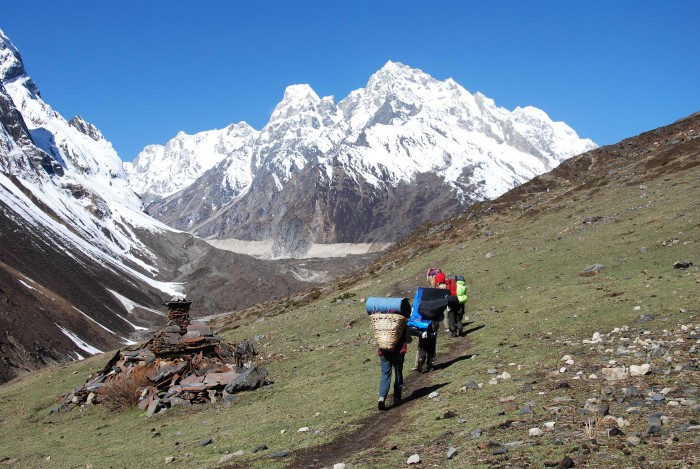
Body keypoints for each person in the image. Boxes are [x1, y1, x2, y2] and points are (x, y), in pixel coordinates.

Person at [377, 322, 409, 410]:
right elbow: (408, 339)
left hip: (384, 351)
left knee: (385, 374)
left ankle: (382, 397)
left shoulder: (382, 321)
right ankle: (397, 398)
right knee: (398, 373)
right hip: (398, 352)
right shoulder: (401, 321)